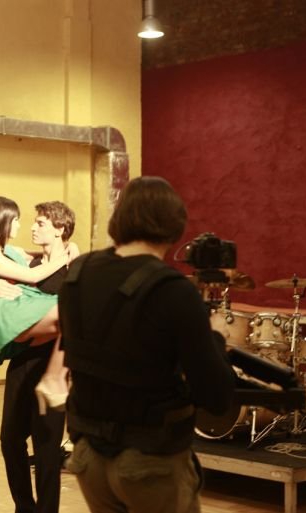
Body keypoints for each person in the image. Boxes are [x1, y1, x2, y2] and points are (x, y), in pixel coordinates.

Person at [58, 176, 236, 513]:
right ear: (174, 225)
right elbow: (215, 396)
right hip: (149, 461)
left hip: (88, 457)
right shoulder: (173, 290)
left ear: (119, 218)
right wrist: (214, 338)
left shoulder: (78, 274)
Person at [0, 197, 75, 513]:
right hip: (23, 360)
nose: (31, 228)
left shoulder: (72, 266)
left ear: (60, 229)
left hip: (53, 360)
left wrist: (70, 253)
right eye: (28, 221)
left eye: (40, 223)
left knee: (47, 447)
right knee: (10, 440)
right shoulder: (26, 263)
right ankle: (25, 507)